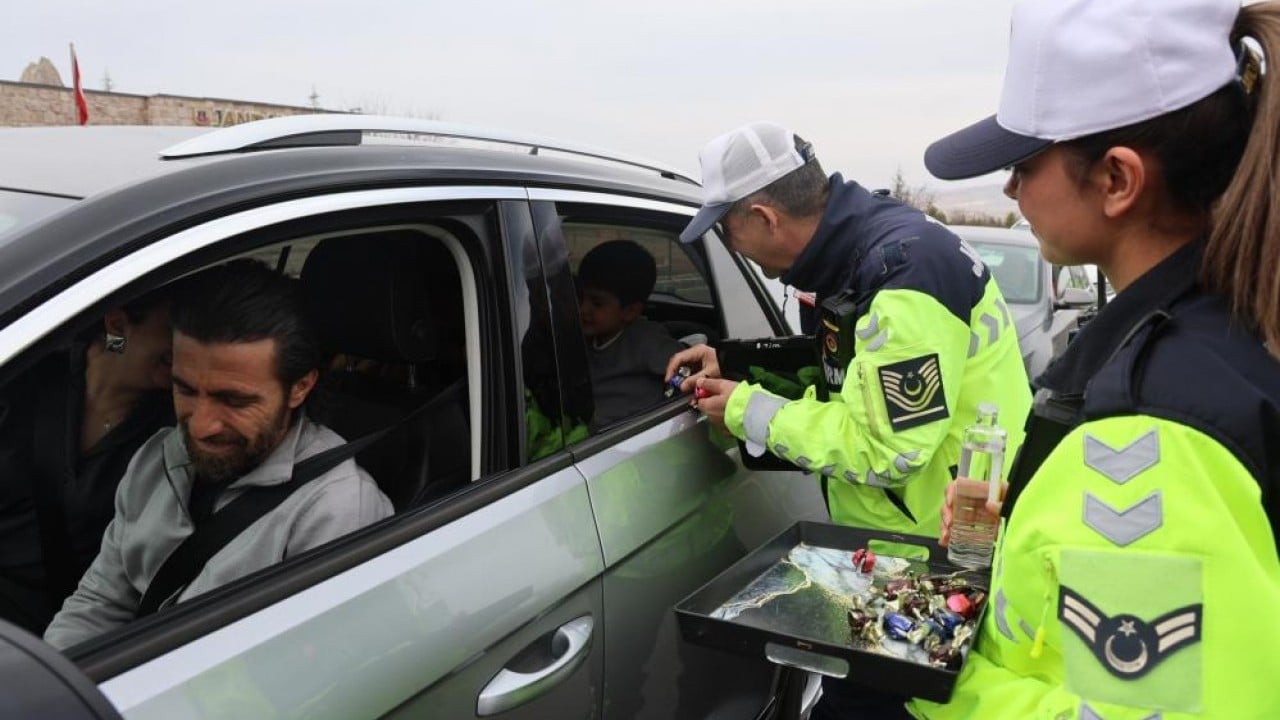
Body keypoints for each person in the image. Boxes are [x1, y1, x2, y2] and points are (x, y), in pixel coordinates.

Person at [913, 1, 1280, 718]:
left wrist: (927, 673)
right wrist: (1029, 530)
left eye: (1023, 165)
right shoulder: (1224, 326)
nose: (1012, 192)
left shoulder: (1150, 430)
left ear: (1118, 179)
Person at [667, 122, 1032, 719]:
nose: (735, 251)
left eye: (729, 232)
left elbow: (887, 448)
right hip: (900, 548)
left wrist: (743, 408)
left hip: (935, 559)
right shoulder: (865, 252)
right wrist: (736, 368)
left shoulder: (902, 277)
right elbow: (849, 374)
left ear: (764, 216)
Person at [44, 259, 393, 648]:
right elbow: (101, 602)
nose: (200, 426)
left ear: (300, 387)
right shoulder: (156, 457)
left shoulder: (337, 511)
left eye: (233, 400)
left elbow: (309, 671)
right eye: (186, 390)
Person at [0, 289, 178, 635]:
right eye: (174, 326)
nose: (187, 342)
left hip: (67, 633)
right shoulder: (26, 367)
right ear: (117, 323)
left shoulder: (176, 425)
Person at [577, 239, 683, 429]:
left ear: (630, 311)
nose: (583, 309)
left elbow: (685, 372)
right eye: (580, 297)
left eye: (597, 303)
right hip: (592, 435)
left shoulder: (646, 341)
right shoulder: (583, 340)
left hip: (634, 437)